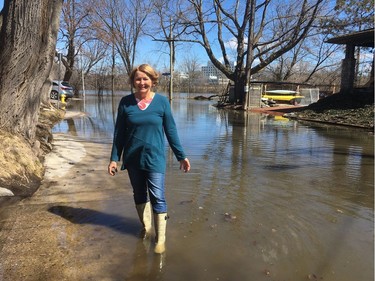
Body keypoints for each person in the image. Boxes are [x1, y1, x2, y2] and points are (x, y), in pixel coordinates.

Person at [108, 64, 191, 254]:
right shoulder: (125, 102)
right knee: (139, 194)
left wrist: (181, 156)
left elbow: (171, 131)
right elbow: (119, 134)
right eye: (138, 79)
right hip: (133, 158)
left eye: (146, 79)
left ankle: (160, 239)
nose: (142, 82)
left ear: (153, 81)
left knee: (158, 197)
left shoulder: (162, 102)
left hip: (155, 158)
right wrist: (114, 158)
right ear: (133, 81)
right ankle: (146, 228)